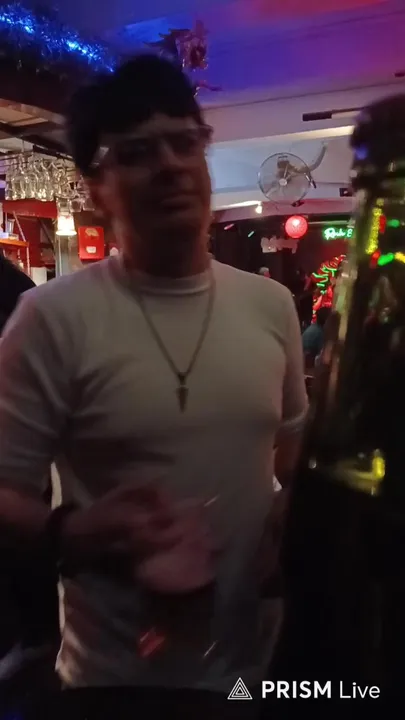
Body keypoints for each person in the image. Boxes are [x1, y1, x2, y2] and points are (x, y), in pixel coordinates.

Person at [0, 55, 307, 719]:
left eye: (183, 141)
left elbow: (290, 457)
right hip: (115, 681)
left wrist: (290, 516)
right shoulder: (50, 318)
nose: (169, 164)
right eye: (137, 152)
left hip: (259, 667)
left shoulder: (270, 304)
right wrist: (73, 531)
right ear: (95, 187)